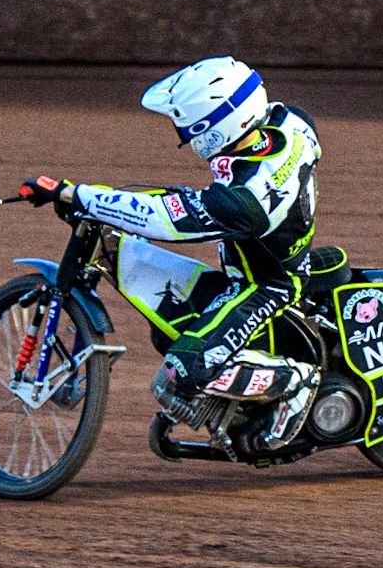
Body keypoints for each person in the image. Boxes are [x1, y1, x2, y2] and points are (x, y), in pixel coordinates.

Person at [18, 56, 322, 452]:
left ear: (216, 126)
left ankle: (296, 380)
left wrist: (74, 194)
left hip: (265, 287)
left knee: (180, 372)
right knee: (169, 324)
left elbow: (165, 219)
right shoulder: (291, 123)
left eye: (188, 127)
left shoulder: (245, 199)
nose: (183, 136)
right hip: (267, 264)